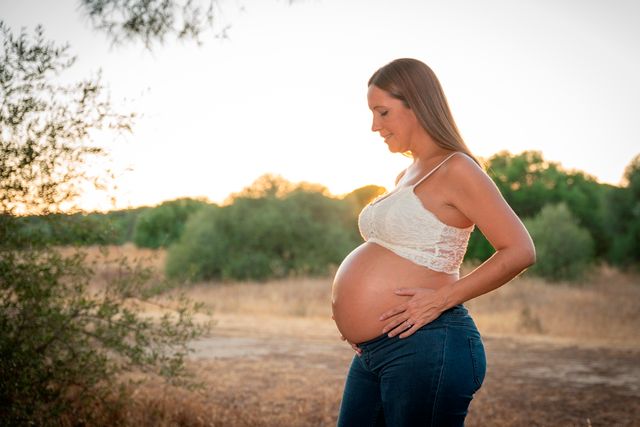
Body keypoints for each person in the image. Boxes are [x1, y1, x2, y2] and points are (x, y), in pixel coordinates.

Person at [331, 58, 536, 426]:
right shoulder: (405, 174)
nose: (375, 126)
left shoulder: (457, 168)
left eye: (383, 112)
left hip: (427, 345)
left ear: (417, 105)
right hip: (375, 351)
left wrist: (441, 299)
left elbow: (520, 250)